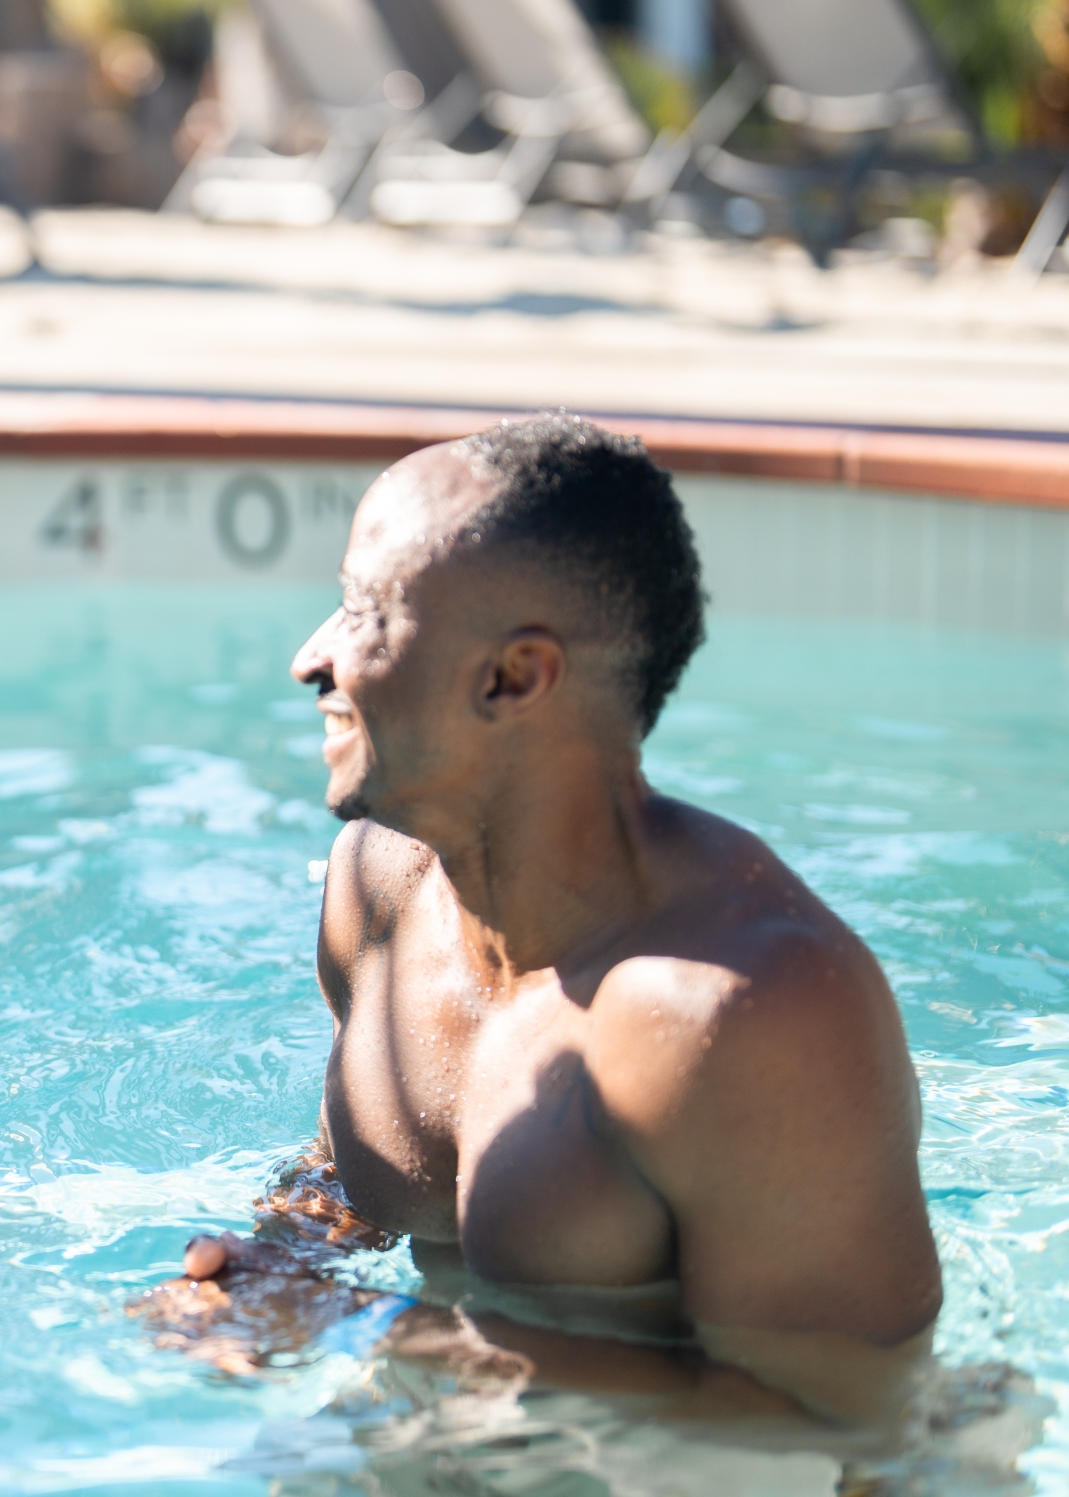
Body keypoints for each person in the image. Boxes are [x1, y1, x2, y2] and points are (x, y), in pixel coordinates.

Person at [148, 416, 943, 1428]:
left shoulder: (736, 1013)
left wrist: (360, 1329)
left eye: (364, 612)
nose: (313, 658)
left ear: (513, 678)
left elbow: (843, 1411)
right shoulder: (378, 885)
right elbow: (344, 1171)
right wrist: (278, 1261)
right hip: (456, 1429)